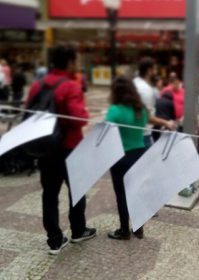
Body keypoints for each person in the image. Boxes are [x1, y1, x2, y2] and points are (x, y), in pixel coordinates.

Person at [27, 45, 96, 255]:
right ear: (69, 62)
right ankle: (78, 230)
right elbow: (79, 118)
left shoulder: (37, 86)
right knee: (77, 190)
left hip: (46, 148)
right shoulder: (71, 86)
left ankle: (55, 239)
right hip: (69, 147)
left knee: (49, 194)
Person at [106, 76, 149, 240]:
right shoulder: (141, 109)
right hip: (139, 154)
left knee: (122, 195)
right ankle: (138, 228)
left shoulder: (114, 110)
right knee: (136, 192)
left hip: (120, 157)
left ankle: (124, 230)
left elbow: (106, 133)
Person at [133, 57, 175, 147]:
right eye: (155, 70)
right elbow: (147, 117)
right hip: (143, 135)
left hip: (132, 133)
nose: (156, 73)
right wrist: (166, 123)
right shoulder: (146, 90)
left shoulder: (133, 83)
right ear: (149, 71)